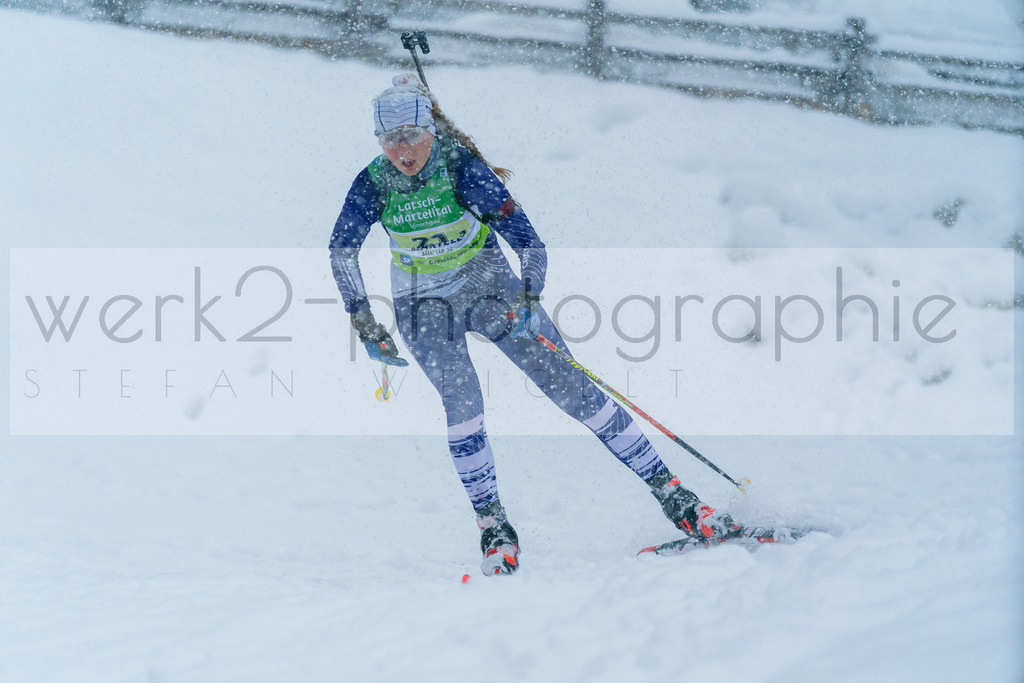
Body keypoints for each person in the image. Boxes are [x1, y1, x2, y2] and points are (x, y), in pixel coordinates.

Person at [329, 74, 743, 575]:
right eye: (390, 139)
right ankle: (494, 528)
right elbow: (341, 251)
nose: (403, 150)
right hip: (423, 305)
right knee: (462, 403)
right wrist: (362, 317)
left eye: (412, 135)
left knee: (573, 389)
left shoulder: (461, 168)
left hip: (490, 289)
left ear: (430, 130)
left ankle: (677, 498)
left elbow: (528, 241)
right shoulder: (375, 181)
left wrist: (528, 296)